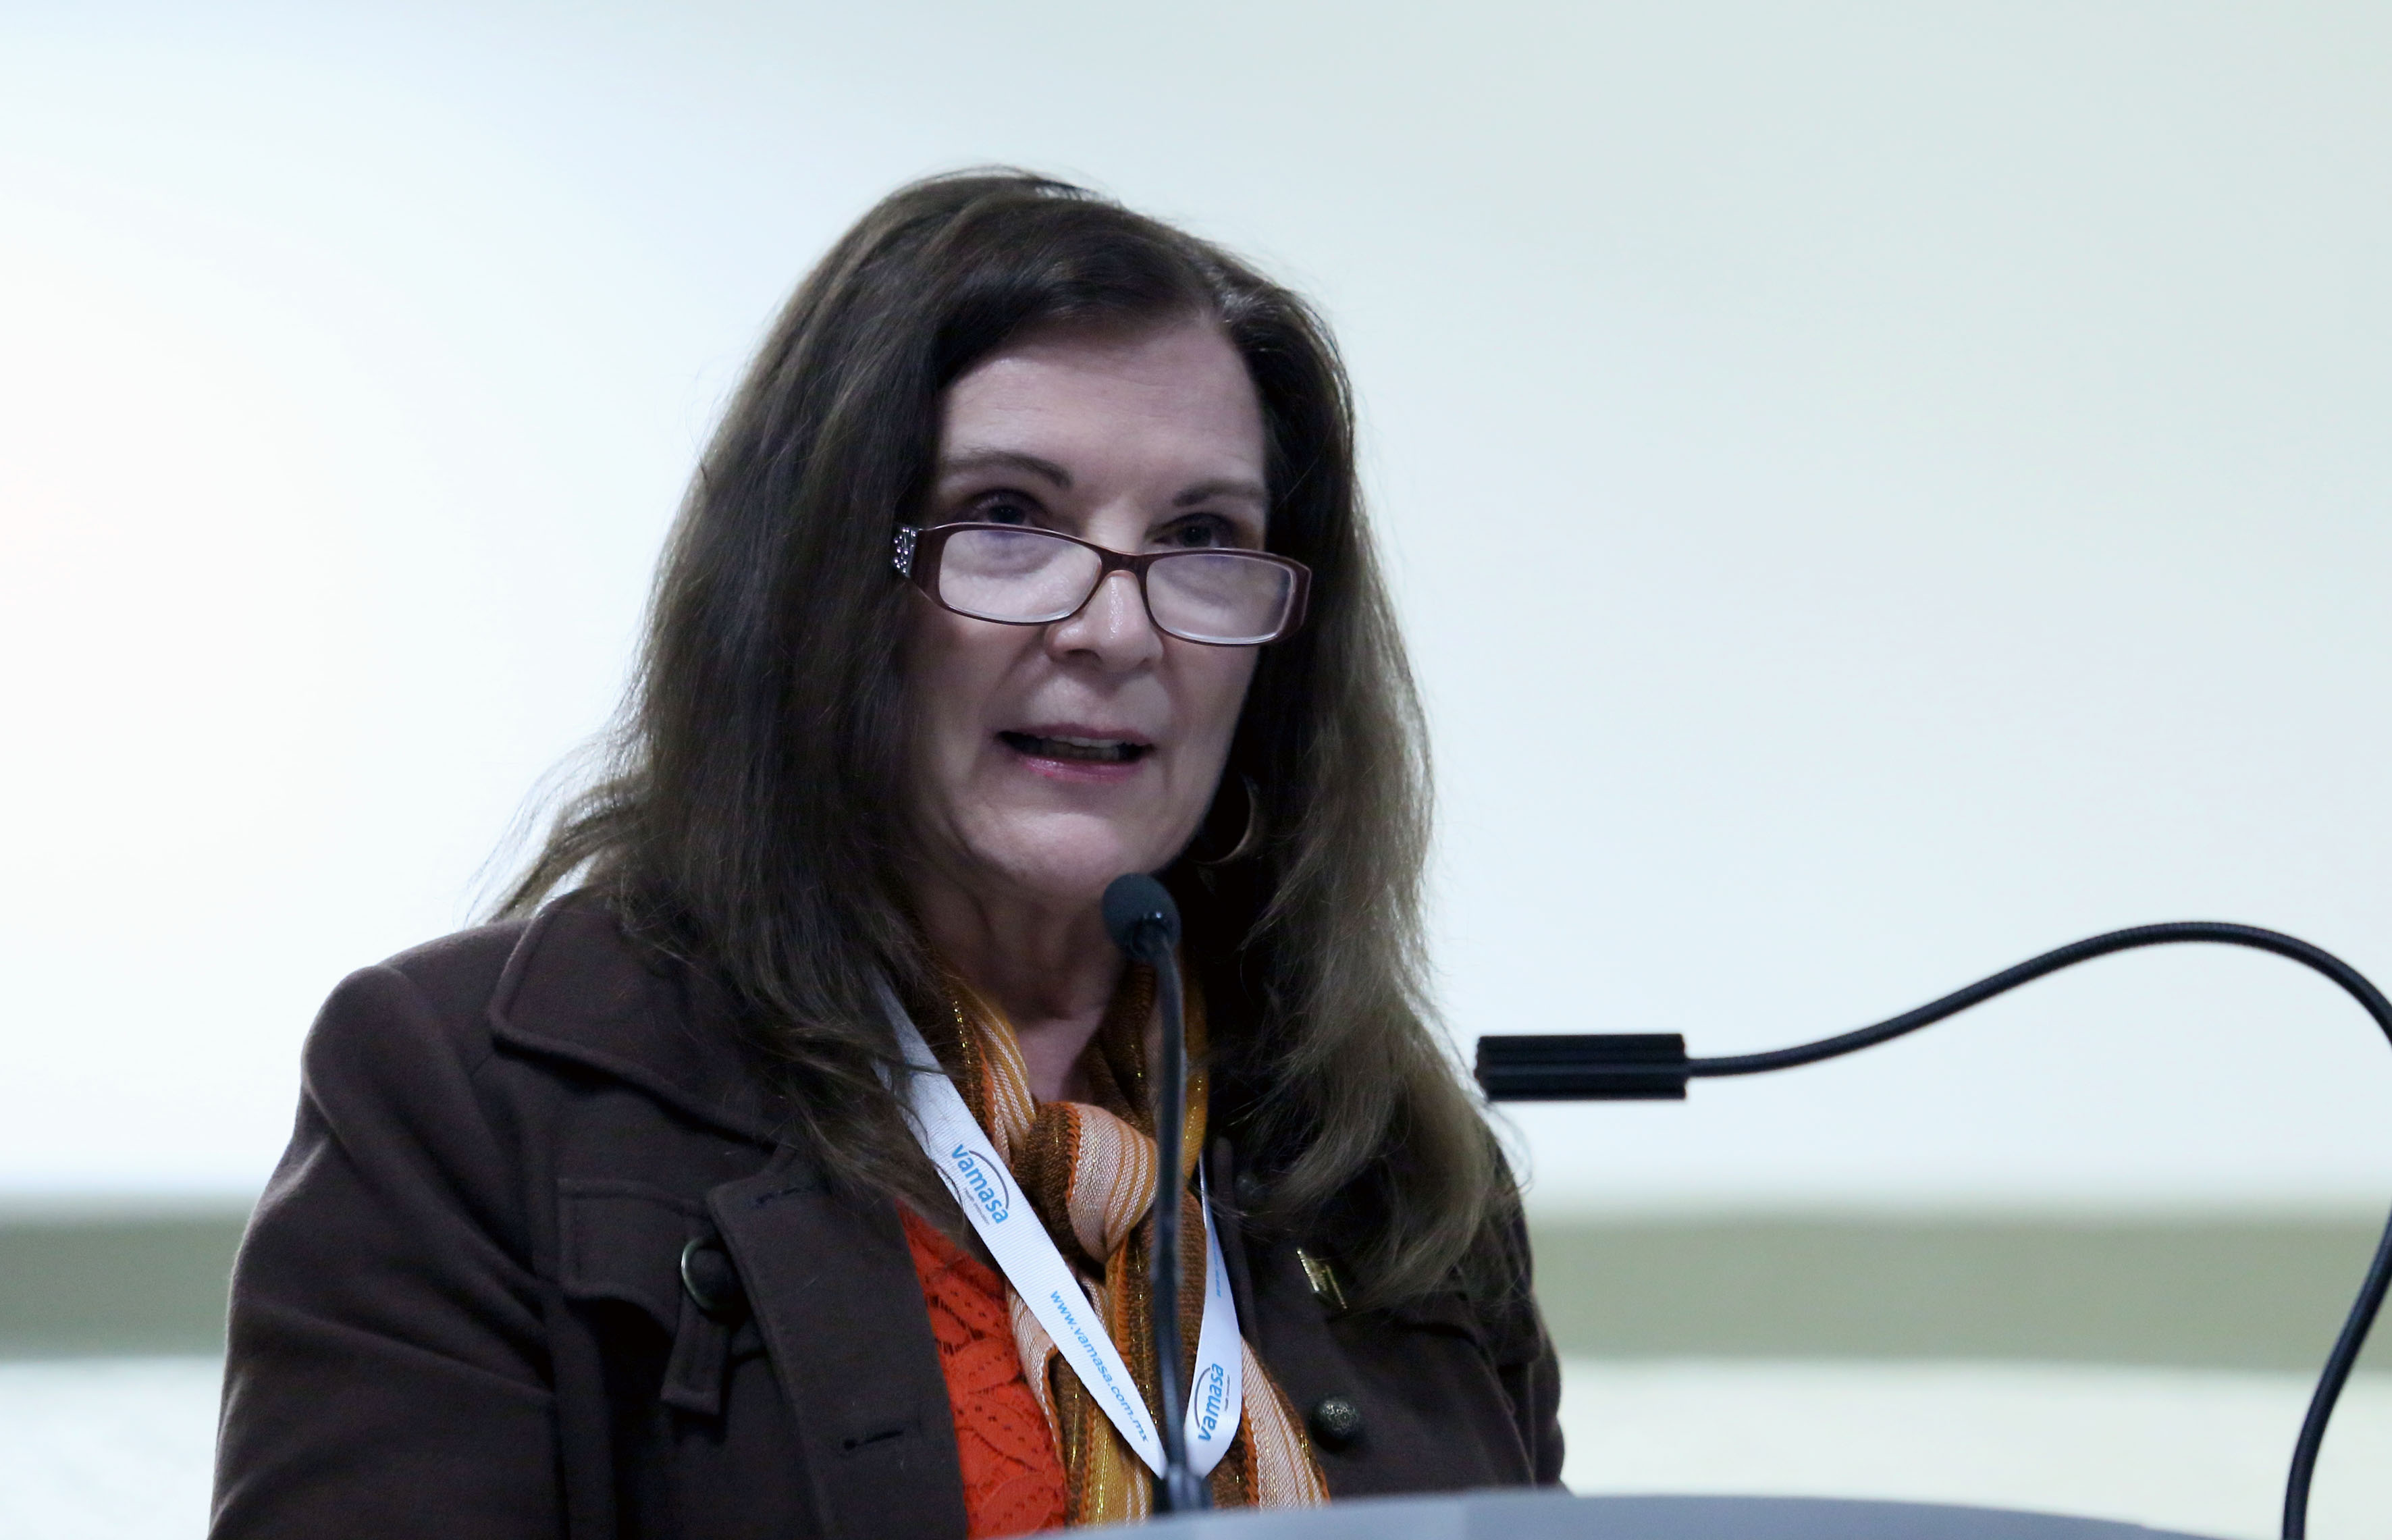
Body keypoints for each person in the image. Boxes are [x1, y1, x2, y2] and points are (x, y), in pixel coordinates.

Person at [210, 170, 1561, 1540]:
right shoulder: (471, 1096)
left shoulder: (1381, 1153)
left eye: (1202, 536)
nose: (1115, 630)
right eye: (1009, 516)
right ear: (820, 579)